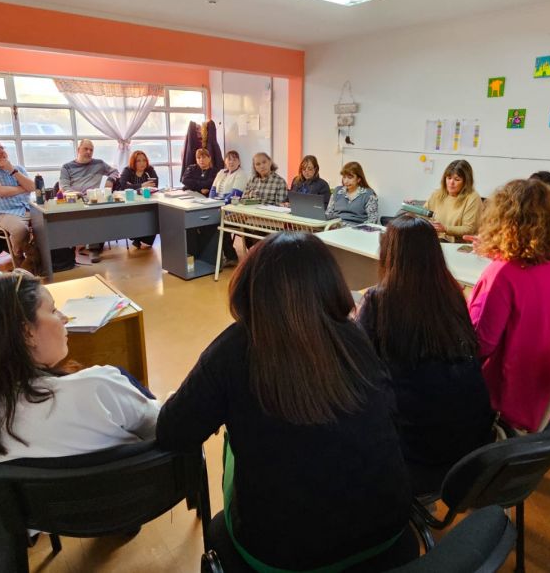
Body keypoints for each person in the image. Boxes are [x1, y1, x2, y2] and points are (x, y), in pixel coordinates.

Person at [156, 232, 413, 571]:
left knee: (221, 517)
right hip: (389, 535)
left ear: (250, 286)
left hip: (280, 555)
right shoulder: (354, 337)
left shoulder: (234, 348)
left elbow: (173, 432)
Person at [0, 274, 160, 485]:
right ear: (27, 333)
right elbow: (161, 428)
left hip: (46, 516)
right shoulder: (96, 388)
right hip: (134, 497)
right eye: (52, 310)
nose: (65, 318)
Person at [355, 215, 494, 493]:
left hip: (417, 452)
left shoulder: (379, 299)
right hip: (473, 447)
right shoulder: (452, 293)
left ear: (390, 253)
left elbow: (358, 363)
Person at [467, 179, 550, 432]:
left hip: (510, 392)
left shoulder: (502, 273)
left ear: (501, 219)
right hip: (547, 388)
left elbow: (478, 345)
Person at [59, 139, 120, 262]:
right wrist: (76, 194)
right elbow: (64, 187)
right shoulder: (67, 167)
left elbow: (115, 171)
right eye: (85, 149)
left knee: (99, 213)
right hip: (74, 200)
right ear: (78, 150)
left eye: (91, 150)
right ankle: (68, 248)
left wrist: (110, 180)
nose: (89, 152)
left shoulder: (99, 164)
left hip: (93, 200)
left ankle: (94, 249)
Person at [0, 140, 35, 266]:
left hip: (27, 208)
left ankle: (26, 255)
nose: (1, 151)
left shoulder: (18, 169)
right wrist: (22, 188)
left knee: (48, 224)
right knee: (20, 230)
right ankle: (28, 257)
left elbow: (32, 187)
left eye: (2, 148)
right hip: (4, 212)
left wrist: (12, 170)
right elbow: (0, 191)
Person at [423, 159, 482, 242]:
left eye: (457, 179)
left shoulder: (473, 198)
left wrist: (445, 229)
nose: (451, 182)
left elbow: (469, 229)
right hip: (436, 241)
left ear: (466, 182)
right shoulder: (437, 194)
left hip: (458, 245)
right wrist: (411, 209)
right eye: (449, 178)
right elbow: (423, 215)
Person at [209, 150, 248, 265]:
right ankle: (213, 255)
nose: (231, 162)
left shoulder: (241, 174)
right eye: (229, 159)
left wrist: (220, 204)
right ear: (225, 161)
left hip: (232, 209)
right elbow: (212, 189)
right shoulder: (221, 172)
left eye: (234, 159)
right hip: (217, 205)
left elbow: (235, 195)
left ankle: (231, 256)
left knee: (216, 222)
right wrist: (210, 203)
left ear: (239, 162)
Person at [116, 150, 159, 248]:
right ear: (133, 162)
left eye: (144, 160)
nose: (142, 163)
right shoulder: (127, 170)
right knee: (136, 215)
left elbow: (155, 185)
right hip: (131, 202)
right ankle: (136, 237)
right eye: (138, 161)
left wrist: (133, 186)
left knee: (154, 214)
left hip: (147, 200)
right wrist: (141, 186)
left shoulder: (150, 170)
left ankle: (143, 239)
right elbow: (123, 186)